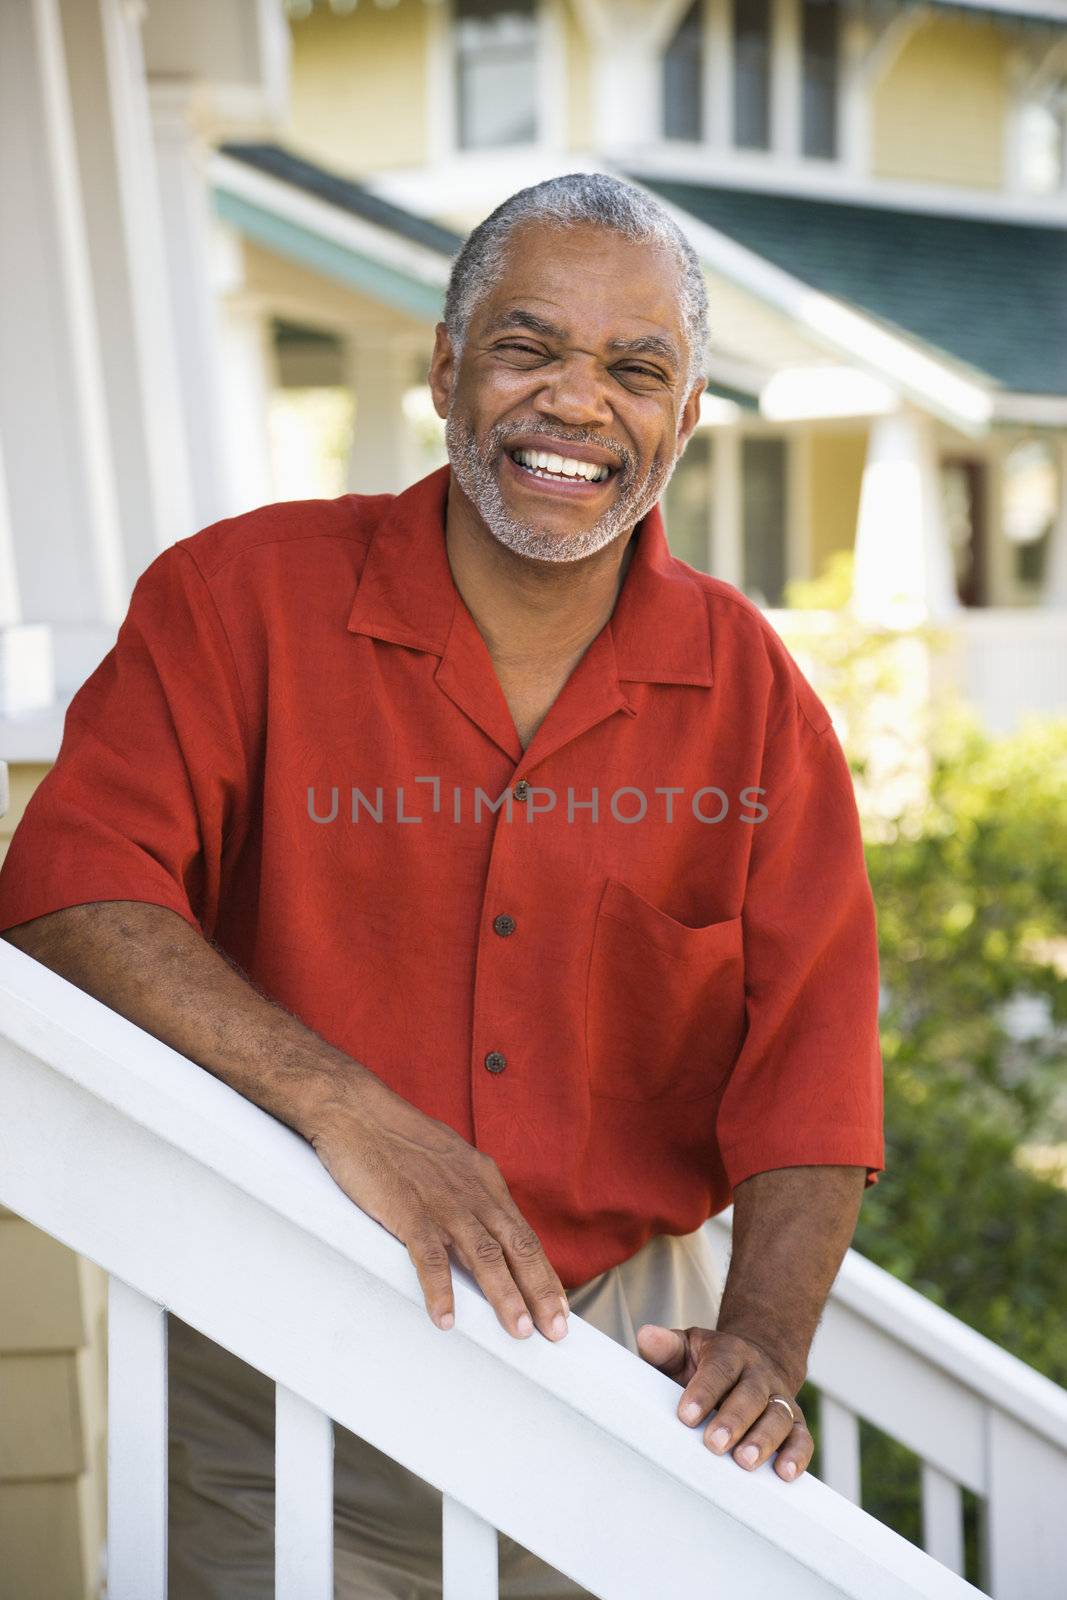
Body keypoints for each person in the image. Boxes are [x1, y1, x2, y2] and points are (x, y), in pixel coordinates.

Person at [0, 172, 884, 1598]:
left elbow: (815, 1078)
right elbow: (63, 894)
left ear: (687, 417)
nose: (579, 406)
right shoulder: (240, 601)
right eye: (529, 349)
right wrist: (345, 1108)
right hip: (270, 1368)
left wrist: (765, 1348)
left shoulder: (754, 699)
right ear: (445, 370)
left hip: (619, 1395)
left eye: (635, 370)